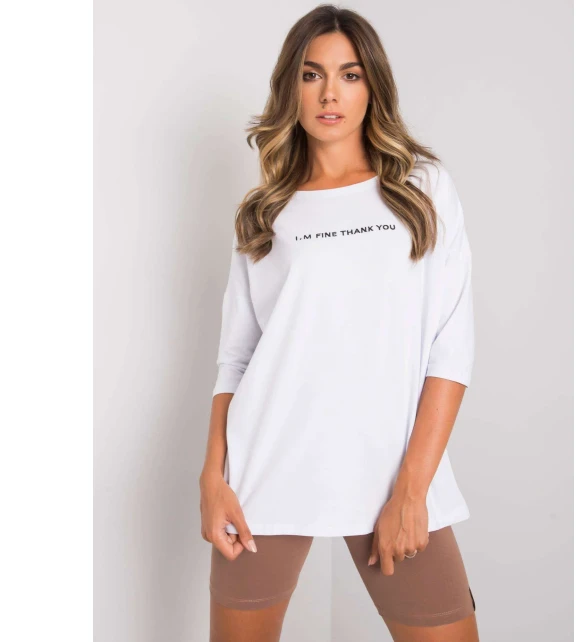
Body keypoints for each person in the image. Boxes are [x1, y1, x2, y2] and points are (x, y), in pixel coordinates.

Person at [199, 5, 479, 641]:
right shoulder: (265, 211)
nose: (330, 93)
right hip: (264, 469)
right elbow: (236, 359)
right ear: (290, 87)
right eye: (312, 74)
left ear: (372, 85)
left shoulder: (422, 188)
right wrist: (212, 478)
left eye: (350, 75)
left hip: (394, 474)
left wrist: (413, 491)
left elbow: (450, 350)